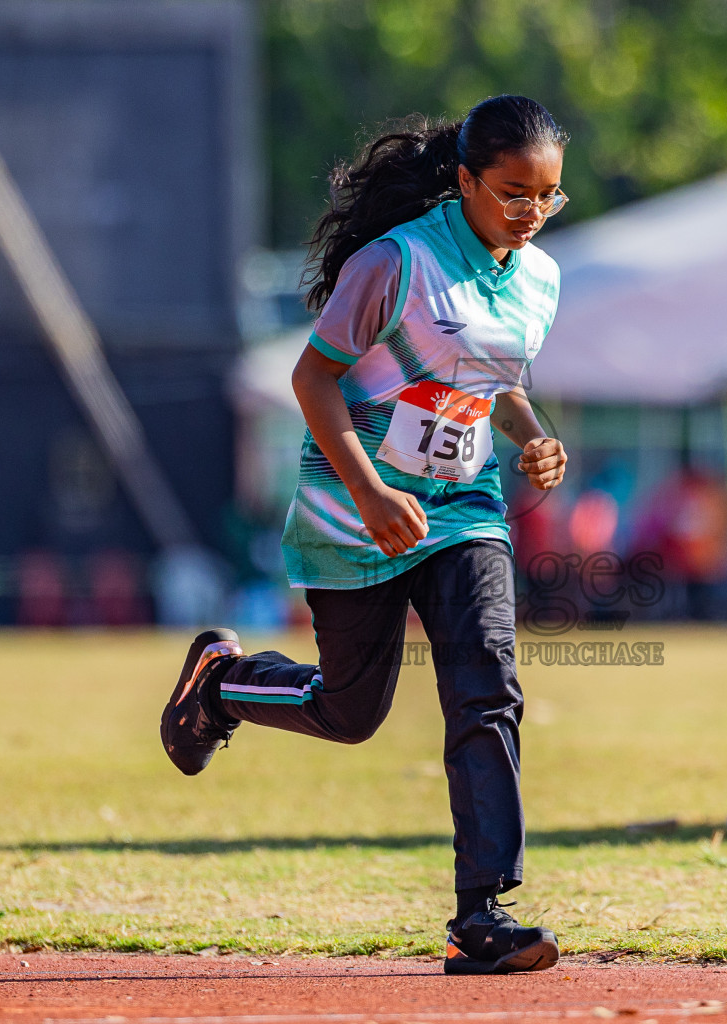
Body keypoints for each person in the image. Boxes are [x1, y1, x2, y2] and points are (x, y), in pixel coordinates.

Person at [159, 95, 570, 975]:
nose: (531, 213)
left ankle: (483, 913)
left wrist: (532, 437)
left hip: (464, 509)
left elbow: (497, 381)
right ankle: (223, 685)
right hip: (358, 514)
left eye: (548, 196)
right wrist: (375, 491)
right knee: (350, 713)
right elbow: (315, 380)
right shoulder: (397, 263)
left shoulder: (540, 277)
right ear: (464, 182)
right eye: (513, 193)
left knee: (487, 687)